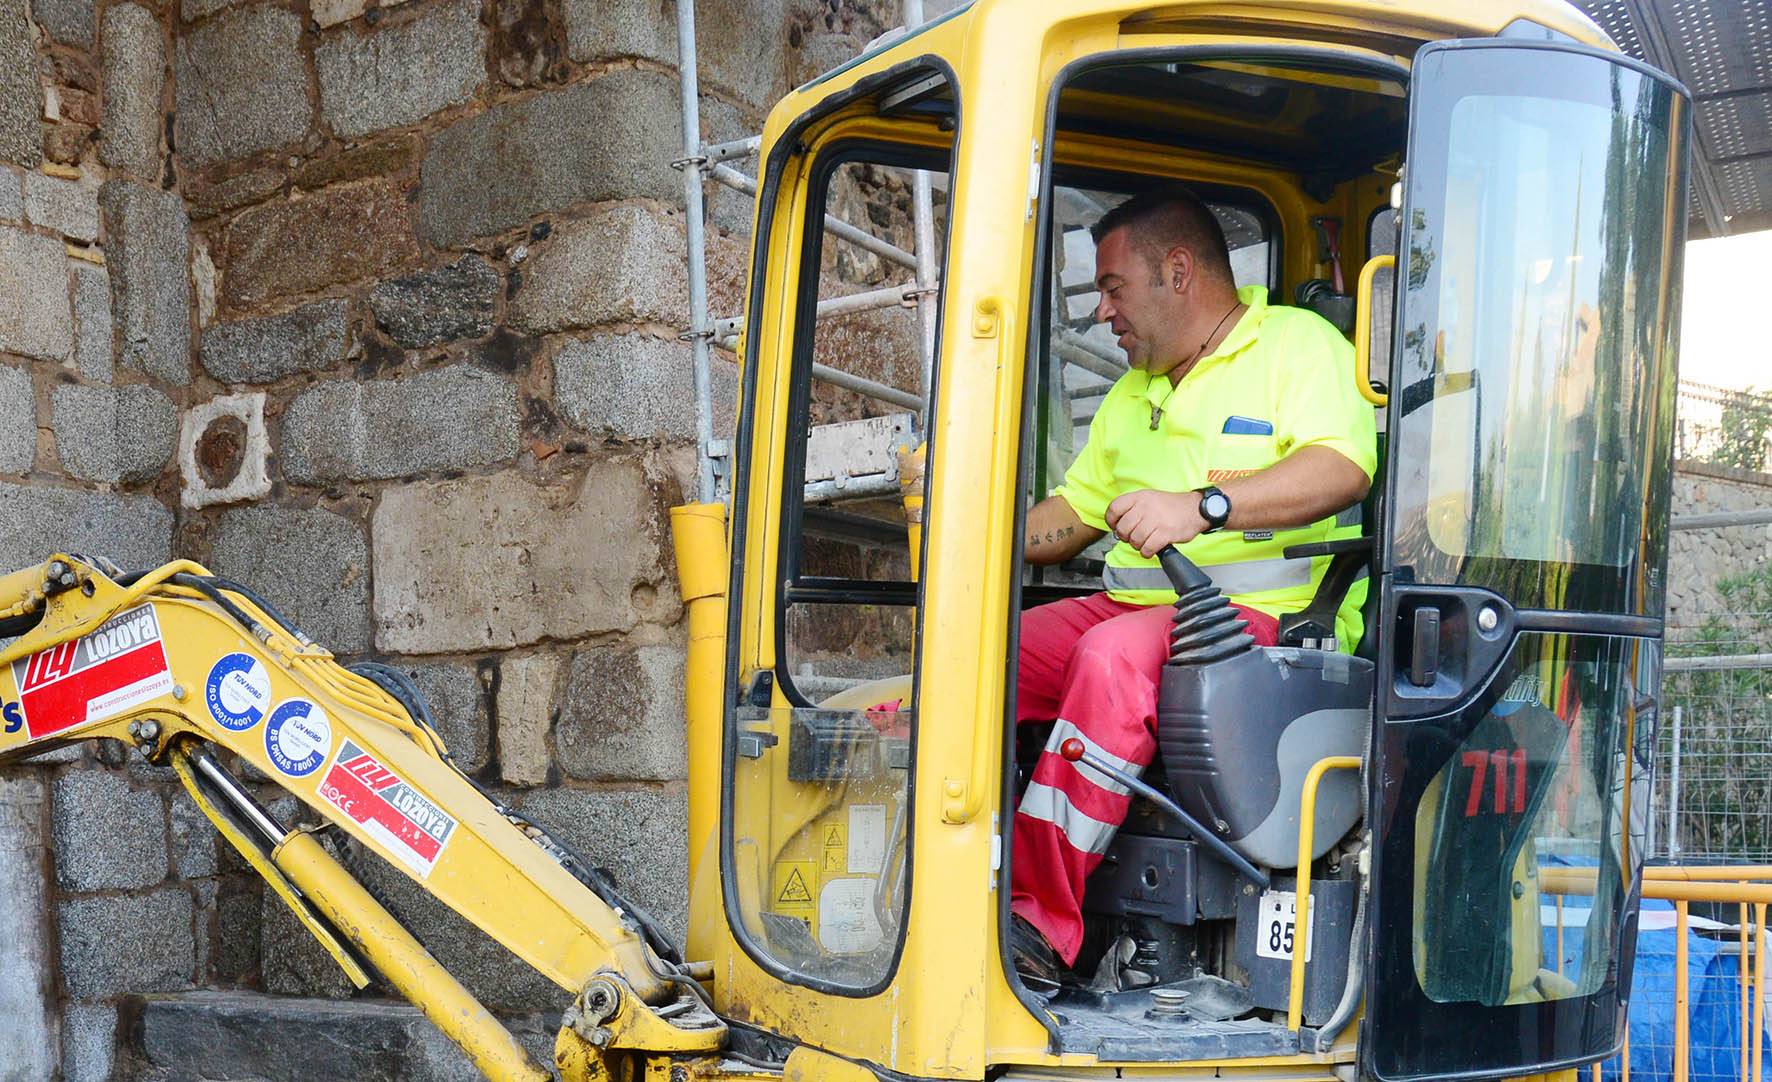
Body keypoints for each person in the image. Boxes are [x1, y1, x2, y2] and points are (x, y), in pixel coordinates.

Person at [1009, 187, 1378, 984]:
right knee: (976, 652)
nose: (1104, 313)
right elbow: (1068, 520)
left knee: (1109, 659)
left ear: (1178, 271)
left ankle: (1036, 928)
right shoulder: (1132, 394)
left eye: (1113, 289)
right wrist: (964, 527)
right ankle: (951, 876)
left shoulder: (1296, 346)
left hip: (1258, 626)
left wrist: (1203, 506)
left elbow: (1341, 467)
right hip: (1134, 609)